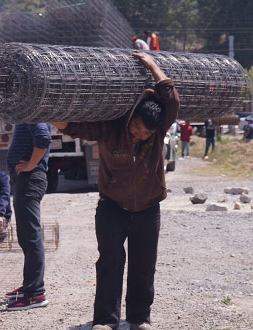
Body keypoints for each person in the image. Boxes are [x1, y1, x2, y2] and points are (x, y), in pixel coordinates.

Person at [51, 52, 179, 330]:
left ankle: (139, 318)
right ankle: (105, 321)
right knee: (110, 261)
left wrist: (151, 64)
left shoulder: (157, 131)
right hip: (112, 207)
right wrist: (45, 112)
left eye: (146, 133)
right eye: (137, 129)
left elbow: (171, 99)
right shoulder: (110, 128)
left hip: (148, 207)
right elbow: (75, 127)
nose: (140, 135)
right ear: (131, 117)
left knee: (144, 265)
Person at [4, 123, 51, 311]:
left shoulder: (33, 112)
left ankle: (36, 293)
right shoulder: (29, 111)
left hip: (30, 179)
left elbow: (43, 138)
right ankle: (30, 286)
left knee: (31, 236)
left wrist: (31, 164)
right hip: (27, 179)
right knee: (26, 236)